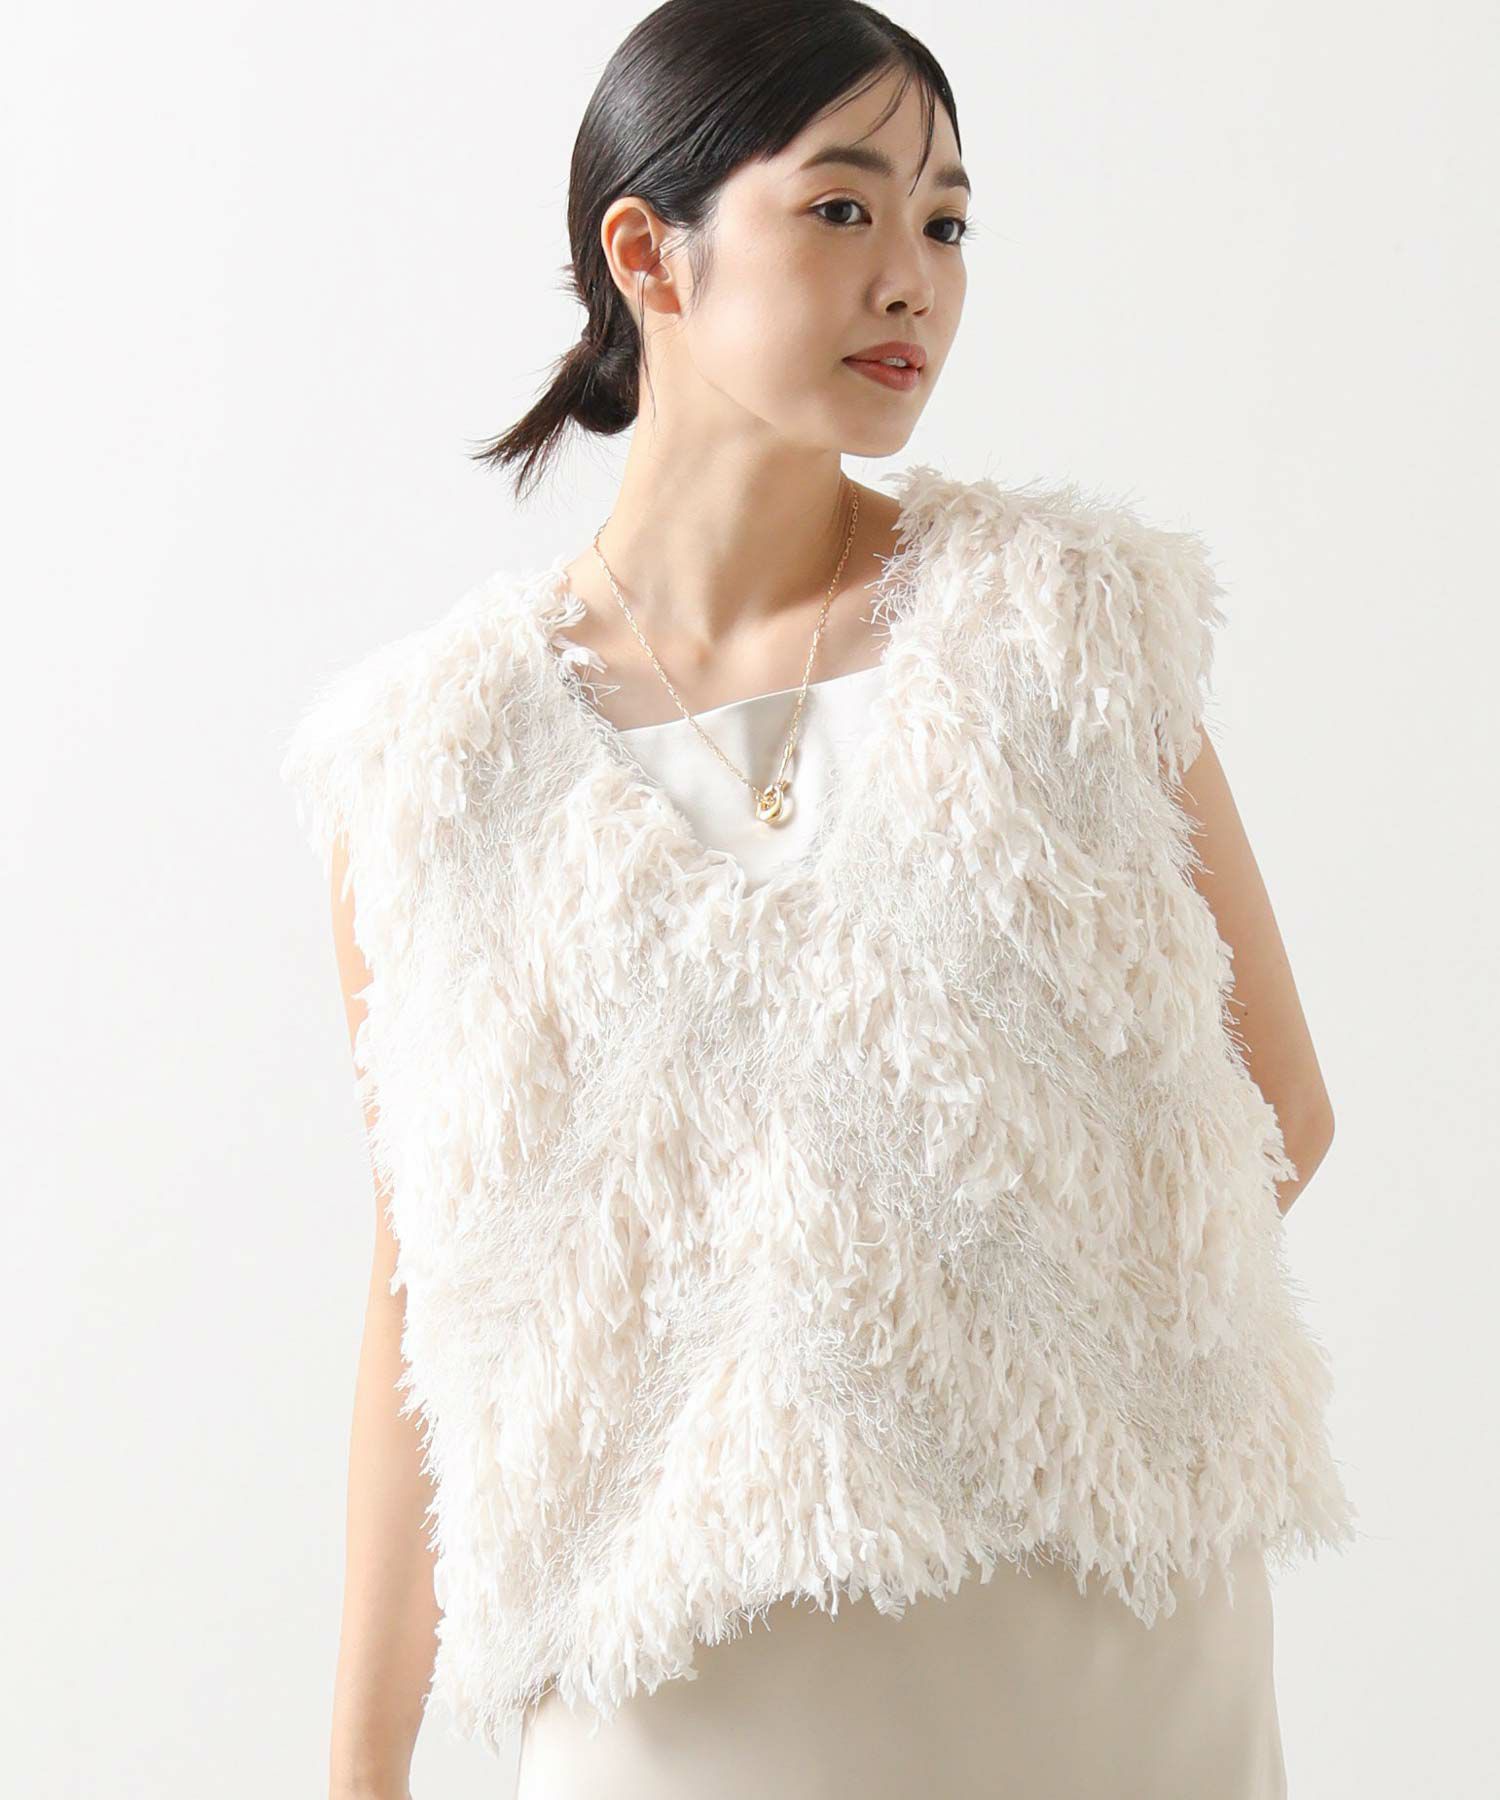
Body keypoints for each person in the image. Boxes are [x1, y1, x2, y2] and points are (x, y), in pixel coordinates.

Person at [282, 5, 1356, 1797]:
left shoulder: (1062, 626)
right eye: (843, 208)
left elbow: (1276, 1111)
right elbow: (427, 1306)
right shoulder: (431, 763)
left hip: (1087, 1649)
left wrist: (936, 1360)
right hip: (673, 1686)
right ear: (651, 255)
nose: (911, 276)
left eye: (947, 221)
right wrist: (359, 1773)